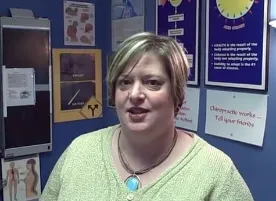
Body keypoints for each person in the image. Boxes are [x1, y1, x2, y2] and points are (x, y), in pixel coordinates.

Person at [40, 32, 254, 201]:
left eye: (152, 82)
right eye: (125, 82)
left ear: (177, 95)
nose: (135, 94)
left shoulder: (216, 172)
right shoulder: (79, 151)